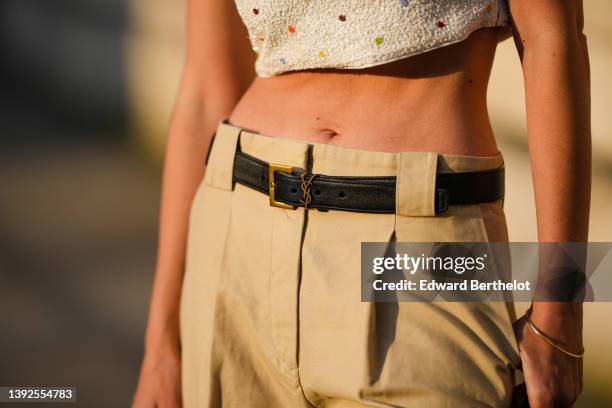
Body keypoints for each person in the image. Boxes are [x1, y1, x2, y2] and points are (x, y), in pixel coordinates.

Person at [132, 0, 591, 407]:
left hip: (421, 241)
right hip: (236, 235)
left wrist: (561, 314)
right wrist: (161, 346)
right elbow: (204, 90)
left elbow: (555, 34)